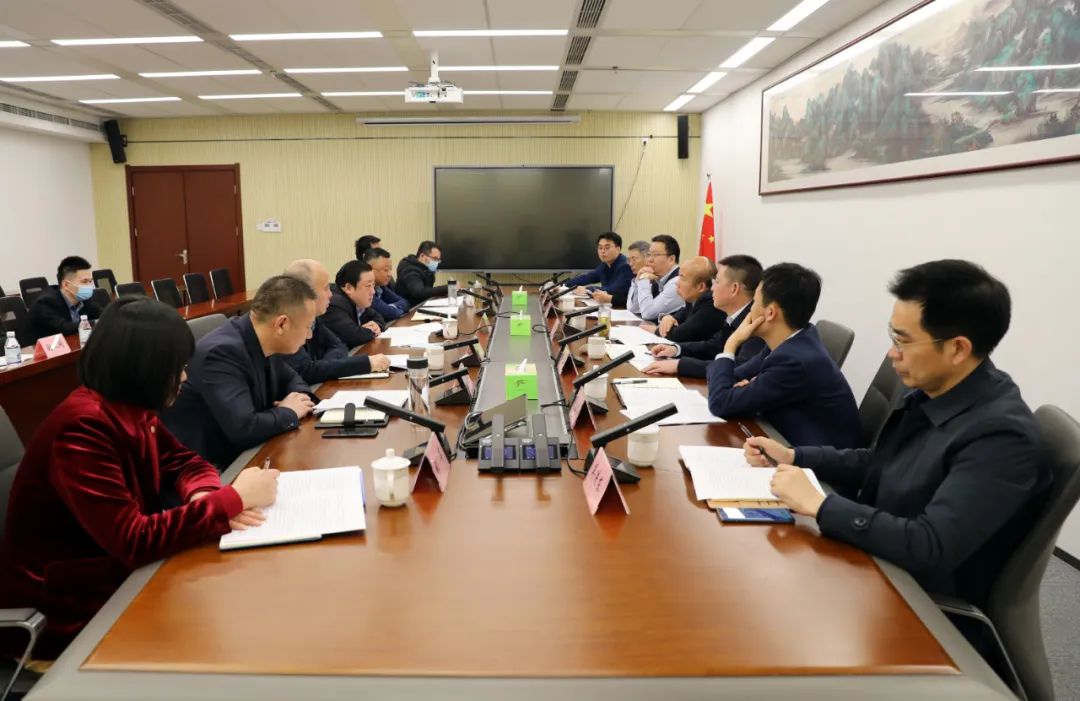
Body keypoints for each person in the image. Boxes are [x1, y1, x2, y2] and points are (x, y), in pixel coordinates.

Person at [746, 260, 1052, 609]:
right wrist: (795, 456)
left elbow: (929, 546)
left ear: (958, 349)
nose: (893, 353)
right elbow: (882, 462)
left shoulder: (1001, 438)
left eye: (903, 340)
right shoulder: (935, 390)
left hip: (915, 603)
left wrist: (820, 505)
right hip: (874, 555)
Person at [0, 297, 279, 659]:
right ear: (144, 369)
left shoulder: (129, 408)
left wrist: (204, 495)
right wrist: (232, 499)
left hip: (119, 578)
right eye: (176, 368)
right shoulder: (82, 428)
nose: (184, 377)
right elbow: (133, 540)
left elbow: (184, 462)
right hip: (68, 611)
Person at [162, 276, 318, 469]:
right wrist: (289, 412)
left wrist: (300, 399)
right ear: (281, 324)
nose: (310, 335)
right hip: (207, 468)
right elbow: (245, 428)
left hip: (246, 452)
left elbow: (292, 378)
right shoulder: (221, 353)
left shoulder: (263, 338)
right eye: (308, 326)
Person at [707, 263, 860, 449]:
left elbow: (720, 403)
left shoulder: (794, 361)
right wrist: (740, 389)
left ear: (770, 313)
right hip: (782, 436)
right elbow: (729, 381)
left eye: (754, 302)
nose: (750, 309)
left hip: (813, 460)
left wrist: (731, 344)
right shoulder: (789, 341)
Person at [644, 255, 766, 378]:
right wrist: (676, 349)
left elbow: (740, 367)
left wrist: (680, 366)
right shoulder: (735, 316)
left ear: (734, 289)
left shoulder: (756, 322)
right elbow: (715, 346)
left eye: (717, 282)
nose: (712, 288)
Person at [282, 259, 389, 383]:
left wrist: (324, 365)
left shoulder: (314, 318)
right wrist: (366, 363)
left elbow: (339, 345)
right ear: (305, 294)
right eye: (325, 288)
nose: (330, 294)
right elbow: (306, 371)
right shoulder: (287, 323)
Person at [647, 256, 726, 343]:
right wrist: (669, 317)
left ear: (701, 287)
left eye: (682, 278)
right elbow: (683, 313)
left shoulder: (710, 305)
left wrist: (655, 330)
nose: (677, 283)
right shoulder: (693, 300)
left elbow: (678, 335)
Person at [24, 255, 104, 341]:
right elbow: (64, 328)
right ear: (66, 284)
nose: (90, 286)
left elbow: (102, 313)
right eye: (84, 281)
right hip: (40, 348)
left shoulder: (84, 299)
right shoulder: (46, 302)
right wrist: (98, 322)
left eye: (90, 281)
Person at [325, 260, 386, 348]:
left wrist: (377, 325)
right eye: (368, 286)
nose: (373, 291)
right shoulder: (333, 304)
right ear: (349, 288)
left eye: (373, 285)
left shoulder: (358, 301)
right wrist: (371, 331)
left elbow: (378, 318)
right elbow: (352, 336)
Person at [564, 232, 633, 307]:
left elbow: (615, 290)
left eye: (607, 248)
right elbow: (588, 277)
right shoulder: (604, 265)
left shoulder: (626, 266)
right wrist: (564, 285)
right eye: (600, 248)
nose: (602, 251)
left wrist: (588, 289)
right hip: (609, 306)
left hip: (623, 308)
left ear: (618, 249)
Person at [627, 235, 684, 322]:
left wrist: (643, 281)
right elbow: (633, 309)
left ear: (671, 259)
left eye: (655, 255)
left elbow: (648, 314)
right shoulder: (657, 277)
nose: (650, 260)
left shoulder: (677, 283)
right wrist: (638, 280)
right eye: (649, 254)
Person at [395, 241, 447, 306]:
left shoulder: (425, 269)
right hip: (408, 309)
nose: (436, 263)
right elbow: (420, 292)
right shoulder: (410, 270)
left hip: (420, 305)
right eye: (434, 259)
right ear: (422, 256)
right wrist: (448, 288)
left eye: (438, 260)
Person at [363, 248, 410, 320]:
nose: (389, 274)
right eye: (386, 270)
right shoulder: (366, 290)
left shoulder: (380, 287)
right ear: (370, 270)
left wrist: (391, 307)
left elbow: (405, 303)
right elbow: (390, 313)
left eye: (390, 269)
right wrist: (391, 309)